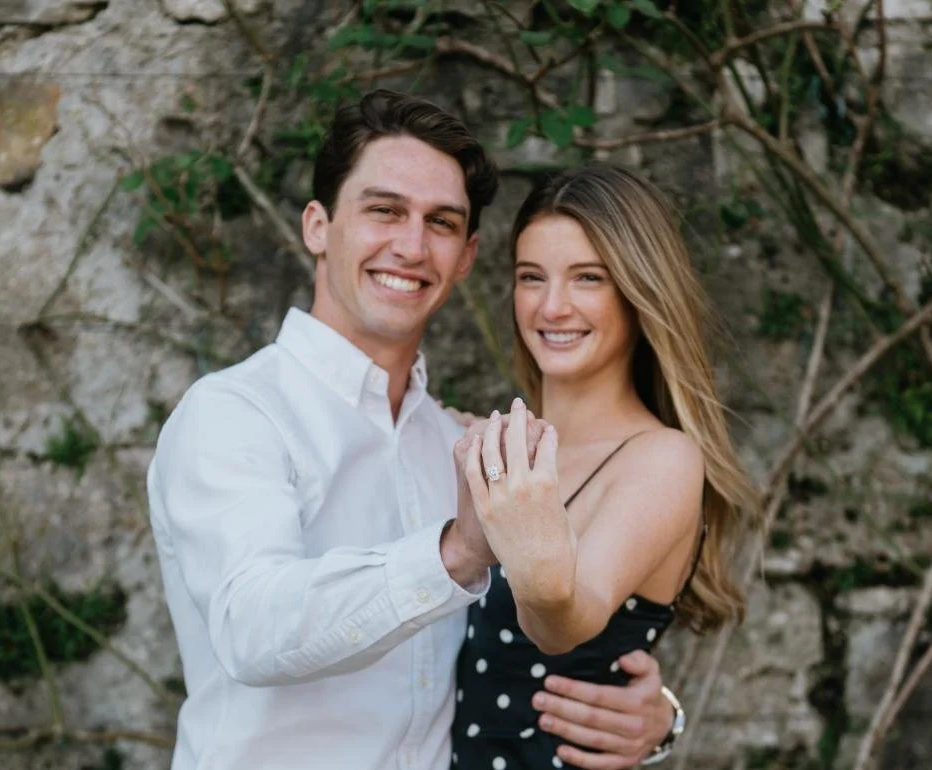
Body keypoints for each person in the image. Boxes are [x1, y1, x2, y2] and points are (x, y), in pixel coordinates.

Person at [146, 91, 675, 770]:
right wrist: (454, 552)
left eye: (442, 223)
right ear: (317, 225)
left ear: (465, 257)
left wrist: (652, 717)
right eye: (384, 210)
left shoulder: (458, 445)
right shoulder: (235, 413)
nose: (411, 245)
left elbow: (504, 663)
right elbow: (252, 628)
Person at [448, 163, 762, 769]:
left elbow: (568, 621)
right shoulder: (494, 447)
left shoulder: (661, 459)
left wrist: (534, 562)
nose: (553, 305)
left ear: (639, 291)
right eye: (531, 277)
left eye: (588, 278)